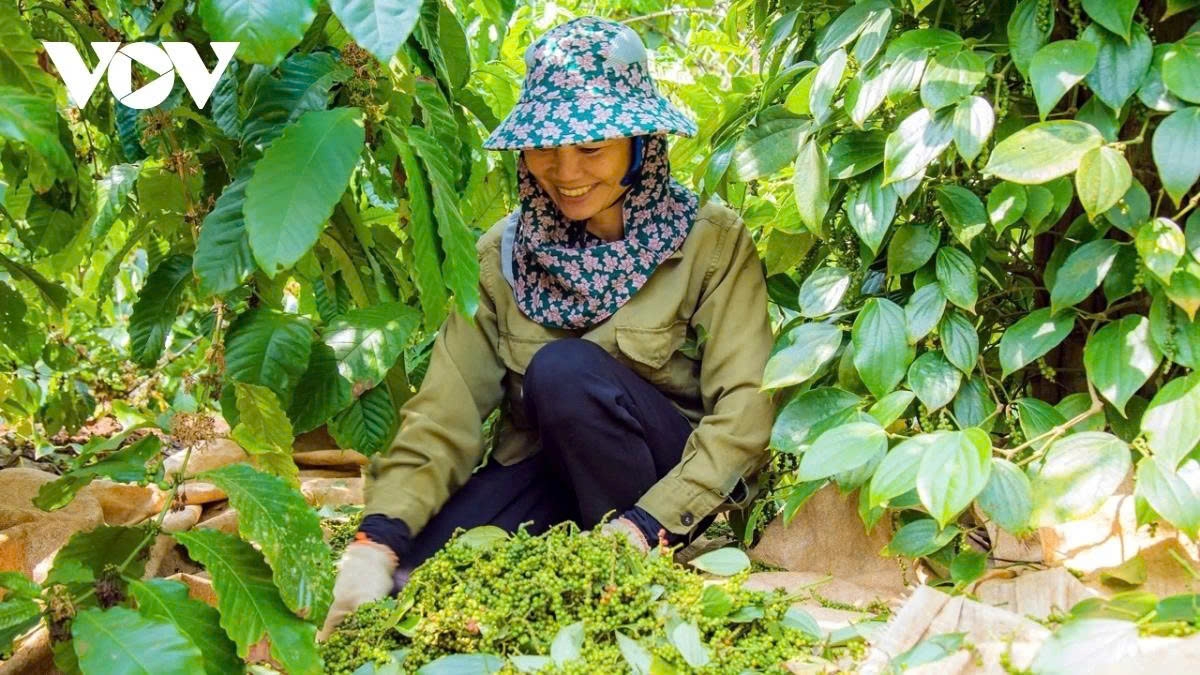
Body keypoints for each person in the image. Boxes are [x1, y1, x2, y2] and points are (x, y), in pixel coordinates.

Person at [319, 16, 775, 639]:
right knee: (416, 580)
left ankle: (631, 561)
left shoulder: (711, 243)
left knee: (563, 371)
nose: (565, 172)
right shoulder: (501, 255)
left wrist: (646, 525)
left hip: (658, 482)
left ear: (640, 144)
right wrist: (378, 539)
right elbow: (445, 411)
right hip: (544, 471)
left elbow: (745, 411)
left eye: (591, 148)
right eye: (545, 149)